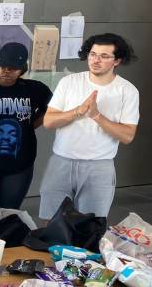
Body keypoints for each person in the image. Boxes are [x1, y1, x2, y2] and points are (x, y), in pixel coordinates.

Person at [39, 33, 139, 219]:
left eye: (104, 56)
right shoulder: (69, 82)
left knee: (91, 226)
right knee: (50, 222)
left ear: (117, 61)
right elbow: (49, 121)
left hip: (99, 166)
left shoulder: (127, 91)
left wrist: (96, 116)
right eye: (93, 54)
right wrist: (77, 111)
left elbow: (127, 136)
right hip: (61, 161)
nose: (96, 60)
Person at [0, 43, 53, 209]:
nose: (7, 71)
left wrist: (29, 126)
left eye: (13, 68)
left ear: (22, 69)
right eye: (3, 66)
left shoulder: (34, 89)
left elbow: (52, 109)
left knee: (9, 212)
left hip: (19, 164)